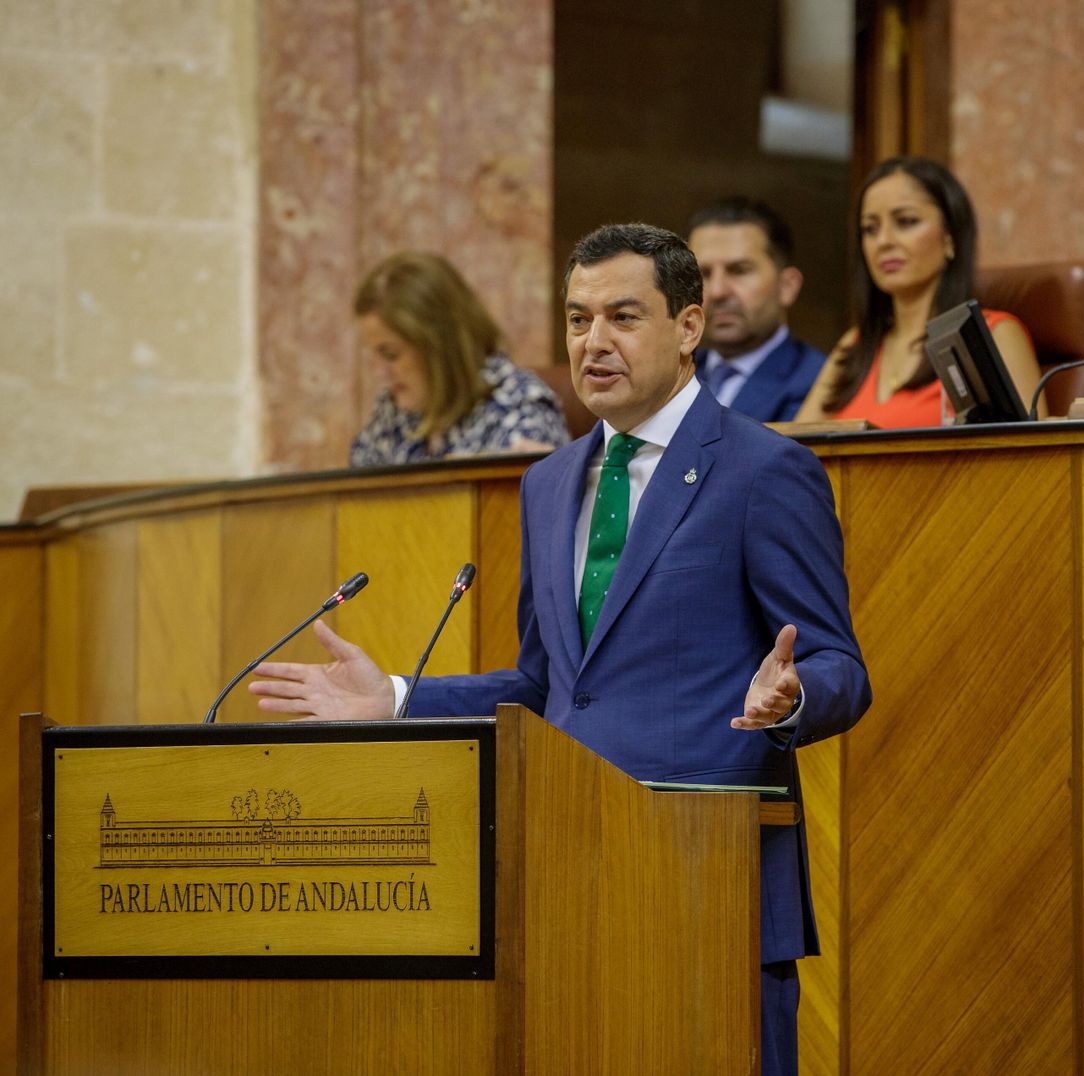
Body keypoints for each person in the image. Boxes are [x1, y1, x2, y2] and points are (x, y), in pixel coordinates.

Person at [250, 224, 872, 1076]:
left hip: (707, 879)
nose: (594, 341)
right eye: (579, 320)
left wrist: (792, 697)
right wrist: (395, 697)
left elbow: (841, 667)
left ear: (688, 328)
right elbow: (547, 688)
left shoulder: (766, 472)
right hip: (569, 875)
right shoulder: (548, 484)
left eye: (623, 316)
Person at [794, 156, 1041, 426]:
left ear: (951, 237)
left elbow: (1033, 460)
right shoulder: (855, 344)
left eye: (906, 222)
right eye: (870, 229)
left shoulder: (995, 334)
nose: (884, 241)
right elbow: (793, 447)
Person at [348, 251, 569, 466]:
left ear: (440, 346)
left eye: (390, 354)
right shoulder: (392, 410)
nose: (379, 373)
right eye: (374, 355)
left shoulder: (521, 407)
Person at [686, 197, 828, 423]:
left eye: (739, 270)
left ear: (786, 287)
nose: (718, 291)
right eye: (704, 274)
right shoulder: (671, 375)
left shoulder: (819, 383)